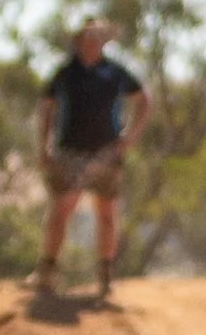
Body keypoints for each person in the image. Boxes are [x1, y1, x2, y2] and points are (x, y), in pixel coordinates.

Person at [35, 17, 149, 303]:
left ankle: (106, 276)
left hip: (107, 153)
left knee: (107, 212)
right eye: (88, 36)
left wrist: (129, 139)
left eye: (98, 37)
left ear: (104, 42)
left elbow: (143, 100)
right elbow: (47, 108)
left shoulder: (115, 73)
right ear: (79, 39)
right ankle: (47, 272)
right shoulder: (65, 73)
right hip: (69, 151)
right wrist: (44, 145)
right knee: (62, 208)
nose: (92, 42)